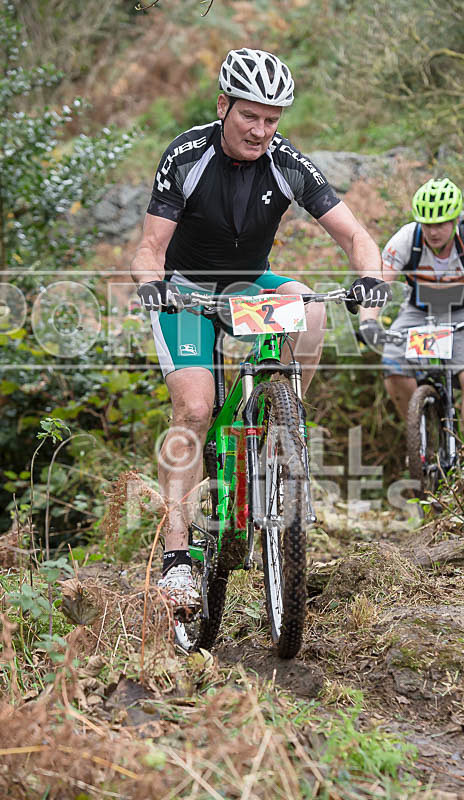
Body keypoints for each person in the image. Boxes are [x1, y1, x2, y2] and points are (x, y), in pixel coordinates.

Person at [130, 47, 390, 647]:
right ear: (224, 106)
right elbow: (150, 248)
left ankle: (279, 423)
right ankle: (177, 558)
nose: (261, 129)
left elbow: (355, 236)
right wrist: (152, 289)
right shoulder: (187, 156)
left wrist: (371, 287)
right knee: (194, 408)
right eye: (250, 115)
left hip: (250, 285)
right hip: (188, 293)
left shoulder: (287, 161)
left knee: (313, 306)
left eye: (273, 119)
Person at [358, 177, 464, 436]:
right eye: (428, 224)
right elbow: (377, 284)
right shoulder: (407, 239)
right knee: (393, 365)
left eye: (441, 224)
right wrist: (368, 321)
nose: (433, 232)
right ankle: (421, 432)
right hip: (418, 312)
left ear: (456, 220)